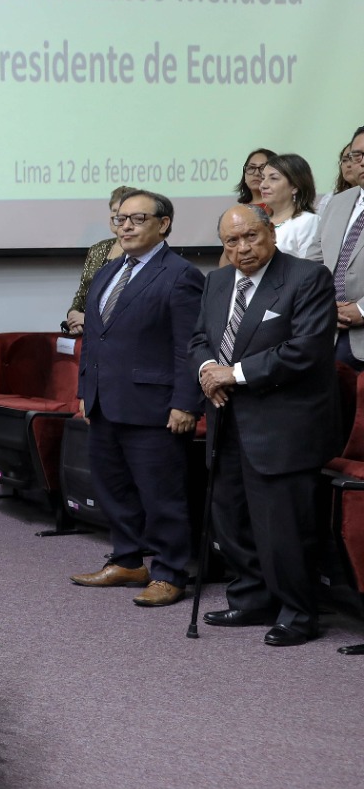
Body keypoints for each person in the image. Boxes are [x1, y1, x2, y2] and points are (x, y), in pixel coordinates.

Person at [191, 204, 336, 646]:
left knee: (283, 527)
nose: (242, 249)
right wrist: (206, 369)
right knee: (231, 518)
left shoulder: (307, 277)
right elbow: (199, 338)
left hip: (283, 424)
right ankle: (252, 598)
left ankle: (298, 613)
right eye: (231, 241)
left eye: (250, 237)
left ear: (271, 232)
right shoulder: (216, 282)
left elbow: (305, 350)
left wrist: (231, 374)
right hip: (227, 419)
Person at [70, 191, 204, 607]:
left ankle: (170, 572)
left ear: (163, 224)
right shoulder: (108, 272)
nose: (124, 227)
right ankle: (128, 561)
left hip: (155, 407)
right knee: (114, 489)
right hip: (104, 401)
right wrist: (83, 393)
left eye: (136, 219)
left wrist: (185, 403)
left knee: (161, 495)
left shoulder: (180, 274)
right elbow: (94, 339)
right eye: (119, 220)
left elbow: (189, 347)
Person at [63, 186, 139, 337]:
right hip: (85, 333)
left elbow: (127, 304)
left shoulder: (137, 252)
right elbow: (82, 292)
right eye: (113, 210)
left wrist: (88, 320)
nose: (115, 216)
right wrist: (73, 316)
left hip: (118, 336)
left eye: (122, 212)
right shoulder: (97, 248)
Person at [319, 126, 364, 370]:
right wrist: (323, 307)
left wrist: (361, 309)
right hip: (328, 334)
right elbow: (312, 264)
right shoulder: (338, 203)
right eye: (357, 156)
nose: (362, 163)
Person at [258, 152, 322, 261]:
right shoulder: (260, 222)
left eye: (273, 178)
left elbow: (309, 269)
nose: (263, 185)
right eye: (263, 178)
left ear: (295, 187)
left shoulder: (307, 221)